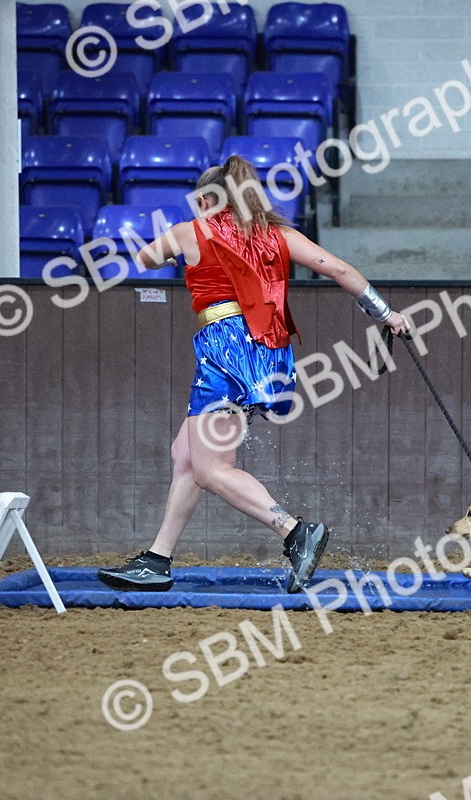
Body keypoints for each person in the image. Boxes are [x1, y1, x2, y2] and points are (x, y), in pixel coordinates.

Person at [98, 155, 410, 593]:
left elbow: (146, 258)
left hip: (225, 350)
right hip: (267, 352)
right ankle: (158, 558)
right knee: (186, 454)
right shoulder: (278, 235)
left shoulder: (193, 231)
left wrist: (183, 250)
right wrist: (386, 313)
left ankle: (293, 531)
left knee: (211, 468)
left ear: (207, 199)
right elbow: (337, 269)